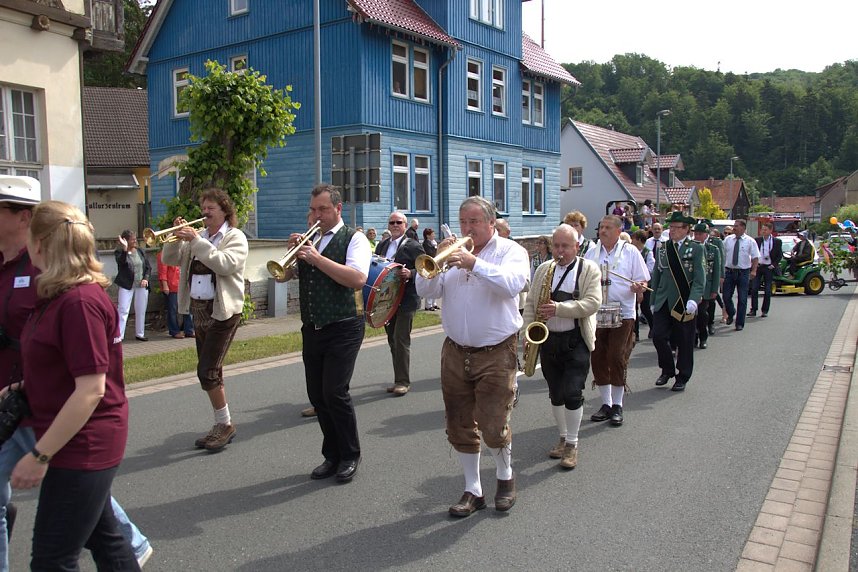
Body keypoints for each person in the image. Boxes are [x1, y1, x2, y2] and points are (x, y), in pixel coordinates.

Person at [0, 177, 153, 570]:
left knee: (52, 559)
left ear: (41, 244)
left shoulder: (79, 302)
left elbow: (90, 390)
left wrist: (38, 454)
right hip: (69, 437)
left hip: (84, 443)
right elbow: (60, 365)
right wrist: (25, 385)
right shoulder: (56, 296)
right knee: (109, 543)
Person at [416, 196, 529, 517]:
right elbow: (426, 293)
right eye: (463, 221)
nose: (467, 228)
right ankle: (473, 489)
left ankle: (505, 478)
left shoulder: (511, 251)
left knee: (494, 425)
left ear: (491, 223)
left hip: (496, 352)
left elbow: (513, 285)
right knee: (459, 424)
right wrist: (436, 263)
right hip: (454, 350)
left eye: (474, 222)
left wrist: (473, 264)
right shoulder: (452, 254)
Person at [277, 184, 371, 483]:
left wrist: (316, 257)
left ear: (338, 209)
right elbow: (284, 277)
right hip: (313, 326)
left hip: (344, 324)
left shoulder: (354, 239)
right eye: (313, 209)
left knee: (335, 391)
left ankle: (350, 455)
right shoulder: (311, 240)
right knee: (317, 395)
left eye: (323, 209)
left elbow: (357, 278)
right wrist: (291, 258)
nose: (316, 215)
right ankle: (331, 455)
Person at [162, 188, 248, 452]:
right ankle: (222, 423)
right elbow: (168, 259)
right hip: (199, 311)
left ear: (225, 211)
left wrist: (196, 241)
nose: (205, 213)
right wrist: (176, 239)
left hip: (224, 312)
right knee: (212, 370)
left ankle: (225, 424)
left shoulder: (235, 237)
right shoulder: (197, 237)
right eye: (203, 207)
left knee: (206, 371)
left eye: (211, 208)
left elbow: (223, 264)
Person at [522, 224, 600, 469]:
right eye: (556, 245)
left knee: (573, 392)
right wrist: (527, 332)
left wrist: (559, 308)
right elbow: (532, 303)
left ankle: (573, 444)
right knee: (555, 393)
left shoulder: (588, 269)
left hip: (575, 340)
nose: (560, 251)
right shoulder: (544, 269)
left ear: (577, 246)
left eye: (565, 246)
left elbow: (593, 303)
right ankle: (563, 436)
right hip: (548, 340)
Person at [584, 215, 649, 426]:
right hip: (596, 310)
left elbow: (642, 278)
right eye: (601, 227)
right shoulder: (592, 252)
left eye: (607, 228)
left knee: (616, 356)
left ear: (619, 230)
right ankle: (606, 403)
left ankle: (618, 404)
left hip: (622, 311)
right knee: (598, 356)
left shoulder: (630, 251)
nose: (602, 231)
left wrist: (638, 286)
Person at [650, 212, 706, 392]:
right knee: (658, 336)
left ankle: (682, 375)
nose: (672, 230)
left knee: (684, 340)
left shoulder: (696, 248)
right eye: (671, 227)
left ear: (686, 229)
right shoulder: (663, 248)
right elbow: (657, 275)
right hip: (663, 299)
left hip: (683, 300)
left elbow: (699, 277)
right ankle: (667, 369)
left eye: (676, 227)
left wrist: (694, 299)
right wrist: (653, 300)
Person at [375, 211, 424, 396]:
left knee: (401, 340)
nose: (395, 225)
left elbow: (426, 266)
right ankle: (398, 379)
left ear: (405, 226)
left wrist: (410, 273)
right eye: (392, 222)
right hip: (387, 301)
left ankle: (403, 382)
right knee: (392, 340)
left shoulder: (413, 245)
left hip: (406, 299)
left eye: (399, 222)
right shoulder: (382, 244)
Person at [722, 219, 759, 332]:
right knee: (726, 296)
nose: (734, 228)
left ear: (743, 228)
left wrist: (754, 271)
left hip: (743, 272)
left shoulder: (750, 241)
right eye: (734, 226)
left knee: (742, 299)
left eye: (737, 226)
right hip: (729, 271)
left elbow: (755, 257)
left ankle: (739, 323)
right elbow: (722, 254)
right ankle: (731, 312)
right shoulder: (728, 240)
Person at [114, 229, 151, 342]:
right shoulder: (120, 252)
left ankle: (140, 333)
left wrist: (146, 278)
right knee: (123, 309)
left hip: (141, 284)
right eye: (132, 239)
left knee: (141, 309)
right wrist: (125, 249)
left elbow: (148, 267)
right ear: (125, 240)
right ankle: (119, 335)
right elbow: (122, 263)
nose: (135, 241)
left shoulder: (140, 251)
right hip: (126, 284)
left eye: (135, 239)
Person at [692, 223, 722, 349]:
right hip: (693, 286)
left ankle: (703, 337)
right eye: (695, 234)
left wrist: (715, 289)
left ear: (706, 235)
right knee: (693, 314)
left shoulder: (713, 249)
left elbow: (716, 271)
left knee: (703, 314)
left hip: (707, 286)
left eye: (700, 234)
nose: (697, 236)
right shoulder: (691, 247)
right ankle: (693, 338)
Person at [157, 251, 195, 339]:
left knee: (187, 307)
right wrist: (165, 285)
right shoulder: (163, 254)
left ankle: (189, 329)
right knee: (172, 310)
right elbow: (162, 272)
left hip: (184, 285)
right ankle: (174, 331)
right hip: (172, 286)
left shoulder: (182, 253)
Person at [751, 222, 782, 317]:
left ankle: (765, 310)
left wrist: (773, 265)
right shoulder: (757, 240)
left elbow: (779, 255)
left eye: (765, 230)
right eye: (762, 230)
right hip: (759, 266)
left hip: (768, 267)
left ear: (770, 230)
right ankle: (754, 309)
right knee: (754, 288)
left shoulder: (776, 241)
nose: (763, 231)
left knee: (767, 290)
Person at [630, 230, 655, 340]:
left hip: (645, 284)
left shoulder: (647, 252)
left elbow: (650, 268)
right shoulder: (630, 251)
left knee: (645, 308)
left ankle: (653, 327)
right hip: (633, 283)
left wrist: (641, 276)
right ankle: (636, 334)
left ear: (639, 240)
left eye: (634, 239)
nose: (631, 241)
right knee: (634, 308)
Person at [421, 228, 439, 311]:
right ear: (427, 235)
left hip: (435, 264)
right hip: (429, 266)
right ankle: (428, 305)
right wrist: (436, 248)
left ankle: (433, 303)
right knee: (429, 285)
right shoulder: (426, 243)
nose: (434, 235)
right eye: (432, 234)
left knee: (435, 284)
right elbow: (431, 253)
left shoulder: (432, 242)